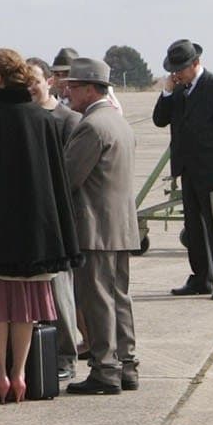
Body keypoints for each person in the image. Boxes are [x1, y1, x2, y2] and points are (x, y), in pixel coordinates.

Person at [0, 49, 81, 404]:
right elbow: (57, 181)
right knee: (24, 310)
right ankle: (21, 373)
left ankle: (0, 375)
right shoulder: (45, 121)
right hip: (32, 238)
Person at [60, 57, 140, 395]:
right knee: (118, 296)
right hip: (120, 226)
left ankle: (105, 369)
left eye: (74, 87)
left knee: (97, 299)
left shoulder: (92, 126)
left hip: (95, 226)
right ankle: (127, 363)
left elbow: (68, 177)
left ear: (91, 89)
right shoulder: (119, 122)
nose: (68, 92)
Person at [152, 40, 213, 300]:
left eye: (180, 69)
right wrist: (167, 93)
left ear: (195, 64)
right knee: (193, 228)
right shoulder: (179, 90)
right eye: (173, 70)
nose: (176, 74)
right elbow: (160, 119)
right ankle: (201, 279)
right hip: (188, 169)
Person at [28, 56, 83, 378]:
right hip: (31, 221)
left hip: (58, 222)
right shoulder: (27, 118)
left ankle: (65, 356)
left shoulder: (67, 120)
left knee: (61, 294)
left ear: (49, 81)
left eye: (35, 79)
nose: (31, 87)